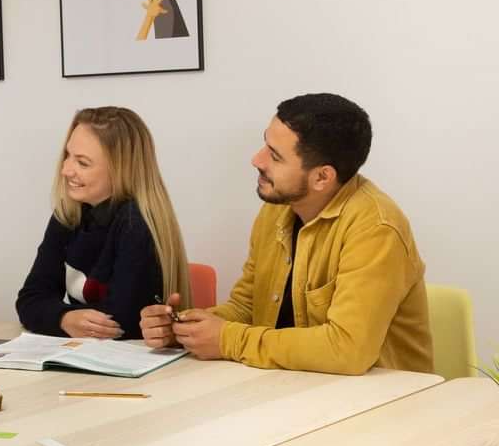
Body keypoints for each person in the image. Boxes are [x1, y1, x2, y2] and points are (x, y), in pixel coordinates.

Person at [141, 93, 433, 375]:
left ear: (322, 177)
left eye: (275, 156)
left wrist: (227, 339)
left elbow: (348, 349)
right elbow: (248, 306)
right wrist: (188, 329)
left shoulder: (376, 229)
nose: (257, 160)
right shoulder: (278, 209)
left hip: (381, 404)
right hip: (294, 389)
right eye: (264, 144)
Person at [17, 106, 190, 340]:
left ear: (121, 169)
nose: (66, 170)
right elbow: (29, 299)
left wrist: (53, 313)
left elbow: (122, 321)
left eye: (83, 163)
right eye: (68, 156)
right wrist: (64, 319)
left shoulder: (135, 222)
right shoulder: (68, 214)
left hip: (134, 359)